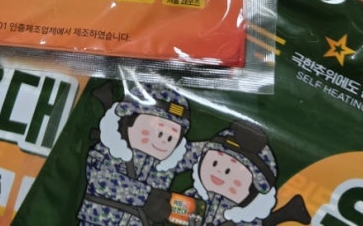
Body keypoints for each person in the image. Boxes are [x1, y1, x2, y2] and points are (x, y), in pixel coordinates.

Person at [78, 83, 204, 226]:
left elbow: (204, 154)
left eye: (171, 137)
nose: (163, 140)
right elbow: (99, 178)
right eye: (157, 131)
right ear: (128, 122)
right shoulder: (110, 150)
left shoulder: (165, 165)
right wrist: (145, 196)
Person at [187, 120, 310, 226]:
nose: (219, 171)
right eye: (214, 163)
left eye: (229, 171)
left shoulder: (248, 221)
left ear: (256, 187)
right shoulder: (193, 197)